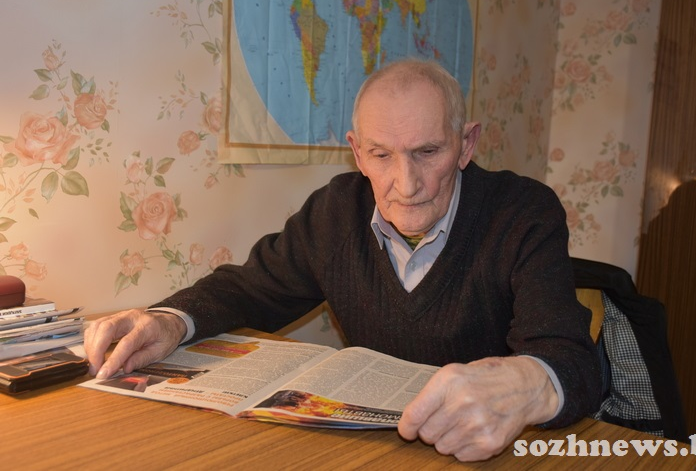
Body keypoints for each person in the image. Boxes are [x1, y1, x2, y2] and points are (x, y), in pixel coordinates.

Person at [85, 58, 600, 462]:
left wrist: (531, 383)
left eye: (428, 152)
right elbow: (249, 288)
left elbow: (570, 357)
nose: (406, 184)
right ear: (357, 152)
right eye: (381, 155)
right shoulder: (336, 210)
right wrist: (170, 320)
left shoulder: (523, 213)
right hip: (374, 452)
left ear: (466, 144)